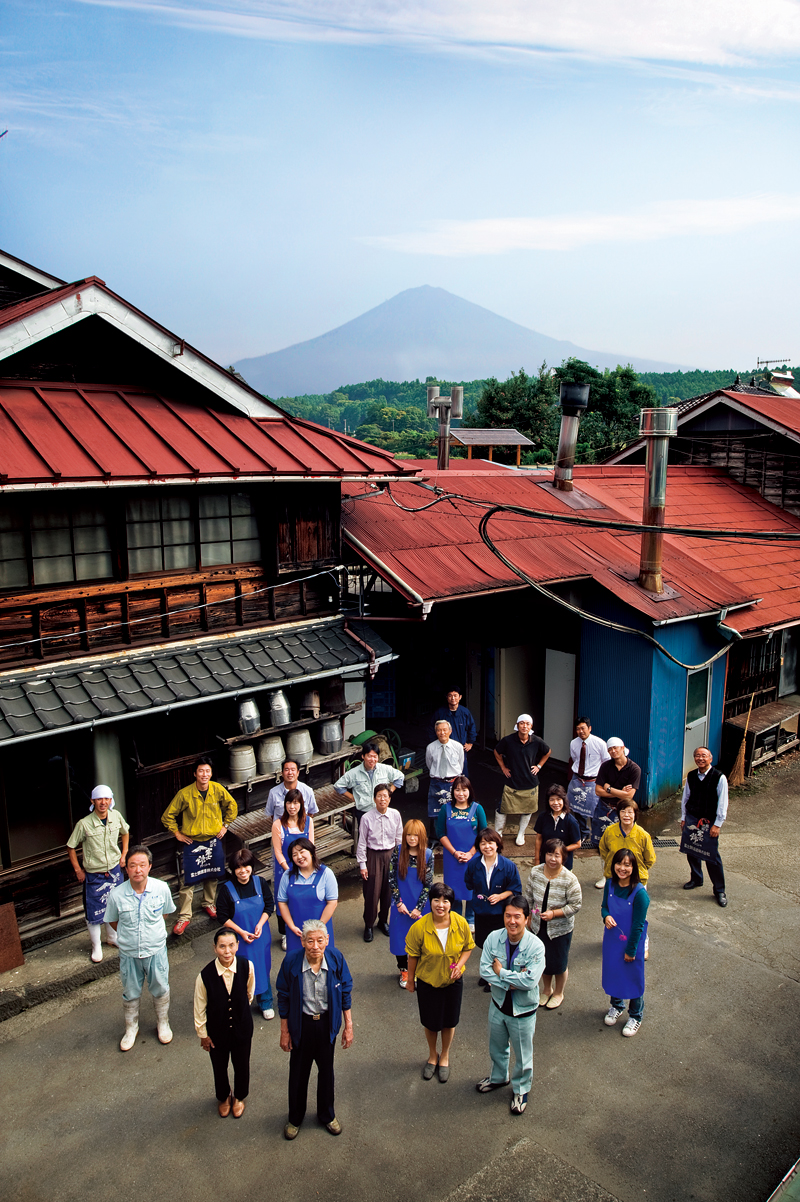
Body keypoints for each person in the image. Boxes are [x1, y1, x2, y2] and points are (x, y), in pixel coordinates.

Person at [277, 919, 353, 1140]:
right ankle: (295, 1118)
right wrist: (285, 1031)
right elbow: (283, 995)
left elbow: (346, 990)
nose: (315, 946)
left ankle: (327, 1115)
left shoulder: (336, 958)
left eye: (320, 940)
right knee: (299, 1073)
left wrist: (348, 1026)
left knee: (327, 1072)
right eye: (310, 941)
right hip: (301, 1024)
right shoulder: (291, 961)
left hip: (327, 1024)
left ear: (327, 940)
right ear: (302, 942)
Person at [477, 895, 545, 1116]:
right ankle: (499, 1077)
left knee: (523, 1055)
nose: (512, 921)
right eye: (508, 916)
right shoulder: (493, 938)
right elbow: (483, 970)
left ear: (527, 919)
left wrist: (501, 973)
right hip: (497, 1005)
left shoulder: (536, 947)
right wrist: (511, 982)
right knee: (496, 1047)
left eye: (518, 916)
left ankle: (521, 1090)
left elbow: (529, 982)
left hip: (523, 1012)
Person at [104, 844, 176, 1051]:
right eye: (133, 865)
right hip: (129, 953)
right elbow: (114, 922)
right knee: (130, 991)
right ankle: (131, 1028)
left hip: (156, 950)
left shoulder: (161, 888)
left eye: (142, 865)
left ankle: (163, 1023)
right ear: (126, 868)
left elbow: (165, 914)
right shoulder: (116, 895)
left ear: (149, 866)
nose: (138, 870)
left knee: (161, 987)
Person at [405, 882, 474, 1082]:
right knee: (430, 1022)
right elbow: (412, 956)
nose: (440, 904)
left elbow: (468, 947)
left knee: (449, 1021)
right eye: (436, 900)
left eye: (445, 901)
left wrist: (460, 966)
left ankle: (444, 1055)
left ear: (451, 904)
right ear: (430, 902)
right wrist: (411, 980)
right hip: (428, 982)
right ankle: (432, 1055)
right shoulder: (419, 927)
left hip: (453, 983)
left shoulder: (460, 923)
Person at [161, 758, 237, 935]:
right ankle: (184, 916)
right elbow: (167, 816)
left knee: (212, 875)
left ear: (211, 773)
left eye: (207, 771)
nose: (204, 775)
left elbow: (232, 806)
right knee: (189, 880)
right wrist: (177, 833)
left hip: (213, 839)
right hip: (192, 841)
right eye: (201, 771)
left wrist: (225, 826)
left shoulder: (217, 789)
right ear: (195, 773)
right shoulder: (185, 794)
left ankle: (208, 903)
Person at [194, 929, 255, 1117]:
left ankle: (239, 1096)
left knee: (242, 1064)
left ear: (237, 946)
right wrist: (203, 1034)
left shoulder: (247, 966)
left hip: (242, 1028)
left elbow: (249, 994)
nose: (227, 951)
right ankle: (223, 1096)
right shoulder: (204, 976)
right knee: (219, 1067)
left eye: (231, 945)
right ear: (214, 948)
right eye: (222, 946)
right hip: (217, 1032)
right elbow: (199, 1007)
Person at [67, 785, 130, 963]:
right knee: (95, 911)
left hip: (115, 870)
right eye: (99, 799)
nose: (103, 802)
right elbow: (71, 846)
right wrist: (78, 870)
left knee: (115, 906)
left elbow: (125, 832)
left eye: (107, 799)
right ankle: (96, 946)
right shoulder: (84, 823)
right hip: (94, 874)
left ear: (111, 800)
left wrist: (124, 854)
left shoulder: (116, 816)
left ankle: (112, 938)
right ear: (92, 801)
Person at [217, 848, 275, 1020]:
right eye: (238, 868)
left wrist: (260, 924)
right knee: (240, 973)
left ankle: (266, 1002)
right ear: (233, 869)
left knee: (262, 968)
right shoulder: (227, 889)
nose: (243, 871)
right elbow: (222, 916)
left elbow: (269, 905)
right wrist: (241, 932)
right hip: (238, 940)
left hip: (260, 936)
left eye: (246, 866)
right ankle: (241, 1006)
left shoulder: (260, 882)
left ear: (252, 866)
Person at [525, 838, 582, 1010]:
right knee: (542, 960)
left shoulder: (569, 879)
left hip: (559, 930)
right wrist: (528, 917)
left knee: (559, 963)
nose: (552, 858)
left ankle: (558, 992)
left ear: (563, 857)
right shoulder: (535, 872)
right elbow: (528, 896)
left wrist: (554, 914)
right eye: (549, 854)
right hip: (537, 926)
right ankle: (546, 989)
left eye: (556, 855)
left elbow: (576, 905)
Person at [464, 828, 522, 990]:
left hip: (500, 914)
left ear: (498, 845)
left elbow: (515, 889)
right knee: (483, 943)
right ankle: (486, 972)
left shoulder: (508, 865)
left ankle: (495, 977)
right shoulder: (474, 865)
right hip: (481, 912)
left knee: (499, 946)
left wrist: (500, 896)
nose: (487, 847)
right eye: (483, 843)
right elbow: (468, 882)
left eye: (490, 843)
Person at [601, 848, 649, 1037]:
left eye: (627, 865)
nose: (622, 868)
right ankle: (616, 1005)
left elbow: (638, 926)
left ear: (633, 867)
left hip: (632, 943)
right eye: (619, 863)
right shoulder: (610, 884)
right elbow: (604, 907)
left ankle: (636, 1015)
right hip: (612, 940)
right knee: (614, 972)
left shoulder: (640, 894)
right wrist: (606, 916)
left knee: (633, 978)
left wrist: (631, 950)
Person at [435, 775, 488, 925]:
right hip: (452, 858)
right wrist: (454, 852)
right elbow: (441, 833)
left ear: (469, 791)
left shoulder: (477, 809)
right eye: (457, 790)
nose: (461, 793)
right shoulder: (446, 809)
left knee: (473, 887)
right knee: (454, 890)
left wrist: (471, 853)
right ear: (453, 792)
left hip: (474, 857)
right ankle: (456, 918)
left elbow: (483, 834)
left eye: (464, 789)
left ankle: (470, 919)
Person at [681, 746, 729, 907]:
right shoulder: (692, 776)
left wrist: (718, 824)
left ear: (710, 758)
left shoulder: (719, 777)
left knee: (712, 856)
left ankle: (719, 890)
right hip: (692, 818)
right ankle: (696, 878)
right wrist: (683, 817)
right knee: (691, 850)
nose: (700, 759)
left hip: (709, 822)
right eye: (697, 756)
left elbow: (723, 802)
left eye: (704, 756)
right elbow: (685, 797)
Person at [493, 715, 551, 847]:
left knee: (527, 810)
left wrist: (539, 766)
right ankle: (498, 833)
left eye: (527, 724)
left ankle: (521, 833)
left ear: (531, 726)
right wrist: (503, 767)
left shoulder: (536, 741)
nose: (525, 726)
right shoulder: (508, 740)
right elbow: (497, 752)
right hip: (512, 780)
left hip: (530, 782)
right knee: (502, 808)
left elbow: (547, 752)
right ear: (517, 725)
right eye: (522, 723)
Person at [389, 820, 433, 989]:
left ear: (422, 836)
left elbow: (428, 885)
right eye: (409, 834)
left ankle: (420, 968)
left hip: (419, 906)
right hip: (400, 905)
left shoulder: (428, 855)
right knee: (400, 939)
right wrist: (399, 903)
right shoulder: (397, 851)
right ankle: (404, 970)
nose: (412, 838)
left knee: (422, 939)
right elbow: (391, 878)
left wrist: (419, 908)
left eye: (416, 835)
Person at [357, 783, 403, 943]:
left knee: (388, 891)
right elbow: (361, 842)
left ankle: (383, 921)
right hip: (373, 856)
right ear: (374, 798)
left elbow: (399, 838)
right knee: (372, 892)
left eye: (385, 796)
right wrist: (362, 865)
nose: (382, 799)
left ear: (390, 799)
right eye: (379, 796)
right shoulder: (366, 818)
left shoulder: (396, 815)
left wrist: (399, 860)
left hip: (391, 855)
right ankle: (368, 924)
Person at [277, 837, 338, 955]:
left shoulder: (326, 874)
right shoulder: (287, 876)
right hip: (296, 931)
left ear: (311, 852)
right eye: (294, 854)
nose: (299, 857)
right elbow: (282, 902)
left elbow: (332, 903)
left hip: (320, 931)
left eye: (302, 851)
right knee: (296, 965)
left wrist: (317, 928)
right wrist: (291, 926)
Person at [593, 738, 642, 884]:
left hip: (624, 810)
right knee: (602, 843)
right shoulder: (606, 766)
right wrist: (620, 792)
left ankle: (625, 874)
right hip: (604, 807)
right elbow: (597, 791)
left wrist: (609, 788)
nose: (613, 751)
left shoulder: (634, 769)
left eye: (615, 748)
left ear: (623, 748)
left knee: (623, 843)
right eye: (610, 749)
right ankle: (606, 874)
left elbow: (629, 795)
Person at [271, 787, 314, 950]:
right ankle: (285, 934)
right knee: (284, 901)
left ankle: (304, 931)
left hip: (305, 868)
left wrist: (307, 865)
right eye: (289, 802)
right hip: (285, 870)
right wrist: (287, 868)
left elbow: (311, 847)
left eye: (296, 803)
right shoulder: (278, 825)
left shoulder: (308, 822)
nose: (292, 806)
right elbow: (277, 851)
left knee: (303, 899)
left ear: (301, 805)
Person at [567, 716, 610, 839]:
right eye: (578, 729)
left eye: (583, 728)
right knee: (577, 807)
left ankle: (596, 834)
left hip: (593, 780)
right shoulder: (573, 743)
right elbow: (575, 759)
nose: (580, 731)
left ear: (589, 728)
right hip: (577, 779)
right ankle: (583, 832)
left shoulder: (600, 743)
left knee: (594, 809)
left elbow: (606, 762)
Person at [597, 800, 655, 890]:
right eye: (623, 811)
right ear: (618, 814)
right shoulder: (609, 831)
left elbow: (650, 859)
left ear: (635, 814)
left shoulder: (643, 835)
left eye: (630, 812)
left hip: (637, 880)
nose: (626, 815)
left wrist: (636, 868)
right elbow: (603, 850)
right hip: (614, 878)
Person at [334, 743, 404, 814]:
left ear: (378, 757)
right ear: (363, 756)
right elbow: (338, 786)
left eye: (375, 756)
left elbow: (400, 777)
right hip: (363, 811)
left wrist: (389, 792)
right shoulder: (354, 773)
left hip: (381, 809)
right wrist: (352, 797)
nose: (372, 759)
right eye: (369, 756)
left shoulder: (385, 769)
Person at [425, 721, 465, 832]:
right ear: (436, 732)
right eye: (439, 730)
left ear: (450, 731)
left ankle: (454, 834)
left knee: (455, 810)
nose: (442, 732)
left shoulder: (457, 746)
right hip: (436, 782)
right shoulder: (431, 747)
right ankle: (436, 837)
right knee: (436, 813)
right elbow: (429, 764)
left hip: (454, 782)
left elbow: (460, 764)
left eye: (444, 730)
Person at [533, 784, 582, 870]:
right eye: (552, 800)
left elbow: (577, 844)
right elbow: (539, 838)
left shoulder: (571, 821)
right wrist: (537, 860)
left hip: (564, 864)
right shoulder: (543, 817)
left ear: (564, 800)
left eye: (558, 799)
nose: (555, 803)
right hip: (545, 861)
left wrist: (559, 851)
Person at [430, 689, 477, 773]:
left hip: (460, 748)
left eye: (455, 695)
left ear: (460, 697)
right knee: (444, 772)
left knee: (462, 772)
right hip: (443, 748)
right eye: (450, 695)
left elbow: (472, 727)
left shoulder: (465, 713)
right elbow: (431, 728)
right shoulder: (440, 713)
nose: (453, 698)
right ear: (447, 698)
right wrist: (435, 743)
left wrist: (470, 742)